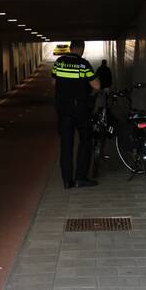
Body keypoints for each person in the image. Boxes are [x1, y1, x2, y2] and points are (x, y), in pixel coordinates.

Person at [52, 40, 101, 189]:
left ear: (70, 48)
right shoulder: (83, 64)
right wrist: (90, 95)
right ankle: (80, 178)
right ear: (81, 49)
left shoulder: (59, 62)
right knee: (85, 140)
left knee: (66, 144)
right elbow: (96, 85)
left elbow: (54, 82)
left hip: (63, 109)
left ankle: (67, 181)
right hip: (80, 109)